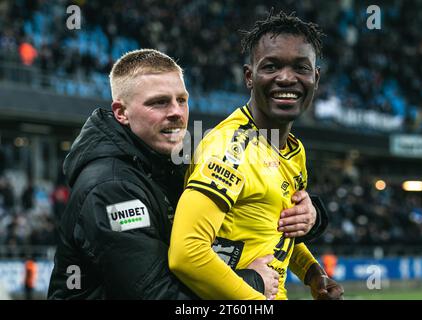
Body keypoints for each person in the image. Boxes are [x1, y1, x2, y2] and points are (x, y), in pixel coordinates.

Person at [47, 49, 322, 299]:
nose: (177, 113)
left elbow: (250, 217)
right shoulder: (110, 187)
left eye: (182, 100)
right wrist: (252, 281)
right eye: (159, 103)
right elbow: (154, 295)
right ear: (122, 113)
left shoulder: (174, 161)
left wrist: (312, 217)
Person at [169, 10, 344, 300]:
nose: (287, 78)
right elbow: (186, 254)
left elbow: (274, 231)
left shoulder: (292, 150)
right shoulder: (230, 148)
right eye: (272, 66)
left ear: (315, 78)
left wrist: (314, 274)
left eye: (300, 68)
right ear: (250, 77)